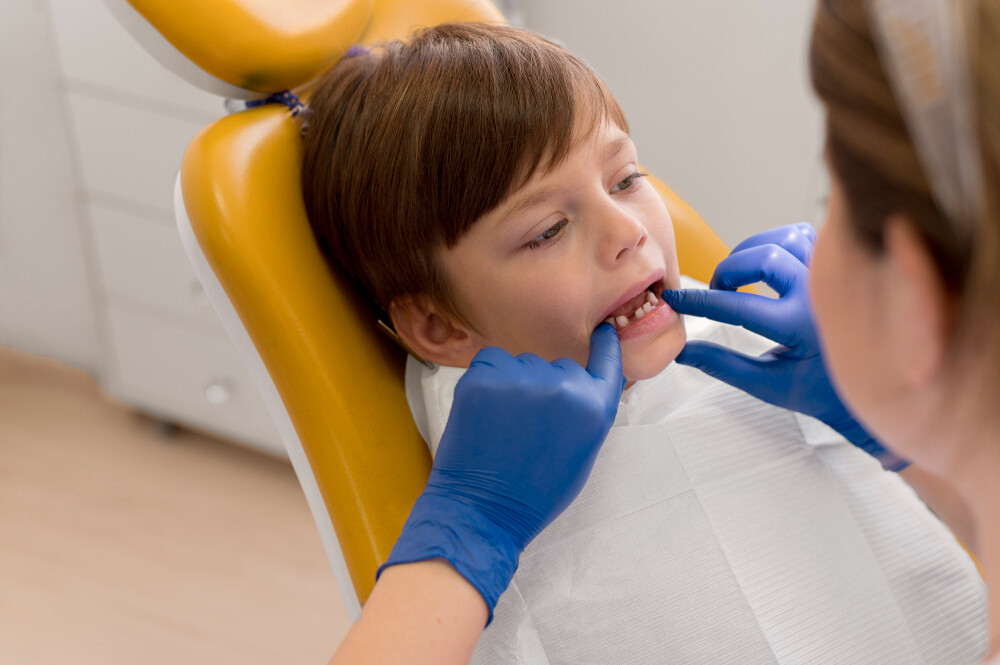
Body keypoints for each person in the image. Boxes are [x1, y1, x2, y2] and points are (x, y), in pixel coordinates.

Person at [304, 22, 986, 664]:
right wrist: (472, 528)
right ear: (442, 328)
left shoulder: (760, 351)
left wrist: (904, 422)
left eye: (626, 178)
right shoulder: (481, 482)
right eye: (546, 230)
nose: (626, 230)